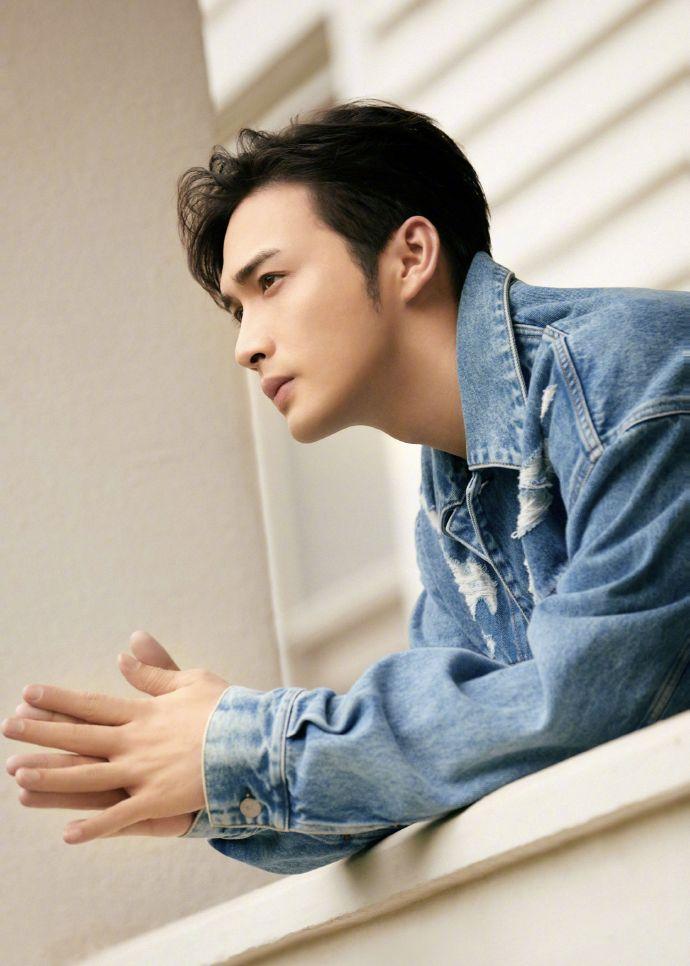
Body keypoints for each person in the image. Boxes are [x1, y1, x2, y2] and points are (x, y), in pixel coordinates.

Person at [5, 99, 690, 874]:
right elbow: (459, 757)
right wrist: (205, 784)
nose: (245, 346)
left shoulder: (633, 381)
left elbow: (587, 702)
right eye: (238, 308)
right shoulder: (456, 493)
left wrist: (245, 750)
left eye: (270, 281)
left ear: (411, 256)